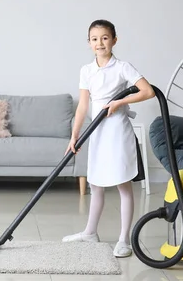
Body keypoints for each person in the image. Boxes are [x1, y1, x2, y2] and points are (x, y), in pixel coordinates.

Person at [62, 19, 155, 258]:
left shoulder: (123, 67)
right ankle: (90, 232)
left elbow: (148, 91)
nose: (100, 43)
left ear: (114, 40)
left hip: (117, 131)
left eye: (105, 38)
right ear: (89, 43)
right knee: (96, 184)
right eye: (95, 39)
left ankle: (125, 240)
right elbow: (83, 106)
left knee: (123, 185)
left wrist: (119, 101)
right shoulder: (86, 70)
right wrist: (74, 135)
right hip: (97, 132)